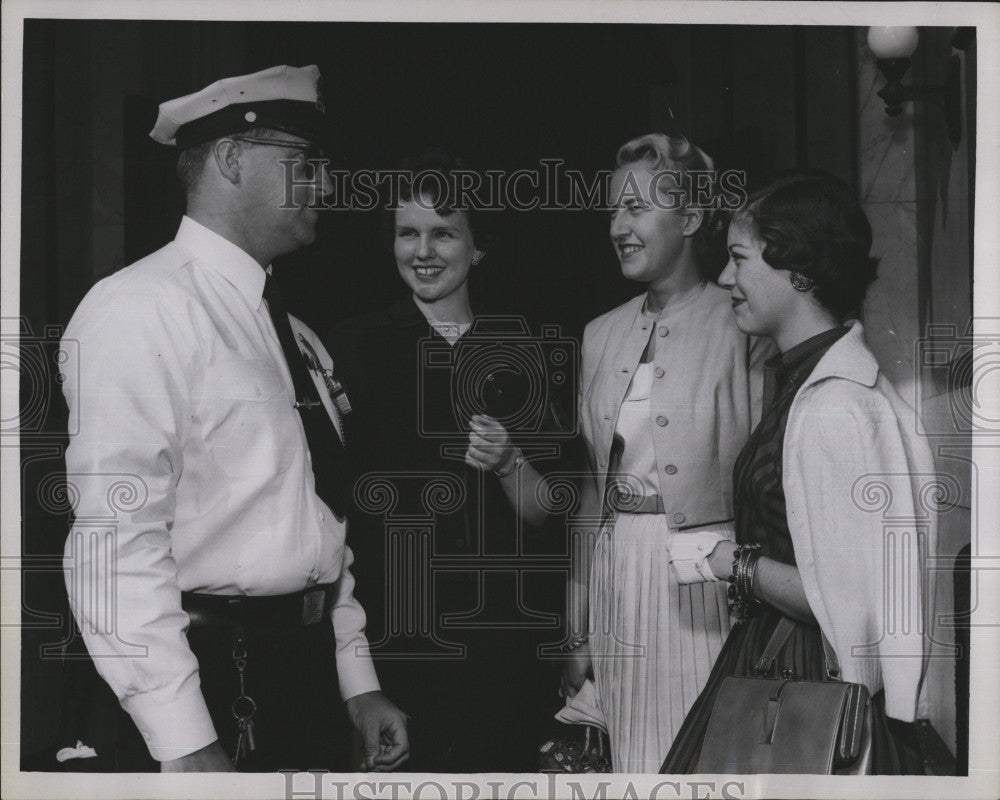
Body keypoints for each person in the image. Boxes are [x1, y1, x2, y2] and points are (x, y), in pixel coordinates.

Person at [60, 64, 408, 773]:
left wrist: (356, 681)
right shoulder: (141, 310)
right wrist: (184, 737)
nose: (328, 185)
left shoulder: (295, 334)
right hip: (206, 679)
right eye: (304, 163)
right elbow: (115, 543)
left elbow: (320, 525)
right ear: (229, 160)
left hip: (298, 678)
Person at [471, 133, 774, 773]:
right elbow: (588, 494)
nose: (618, 226)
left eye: (636, 208)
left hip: (711, 586)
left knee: (704, 762)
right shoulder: (601, 332)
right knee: (632, 763)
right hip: (616, 580)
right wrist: (576, 625)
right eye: (613, 210)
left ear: (691, 218)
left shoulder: (743, 321)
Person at [661, 171, 934, 773]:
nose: (726, 278)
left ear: (799, 272)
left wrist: (731, 561)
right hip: (779, 660)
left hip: (804, 679)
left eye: (738, 259)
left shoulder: (835, 404)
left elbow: (845, 598)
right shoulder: (809, 385)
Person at [327, 150, 572, 771]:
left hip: (508, 645)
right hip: (393, 639)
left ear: (478, 247)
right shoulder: (354, 348)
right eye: (407, 233)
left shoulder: (527, 351)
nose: (423, 251)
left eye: (444, 232)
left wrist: (510, 458)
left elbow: (551, 514)